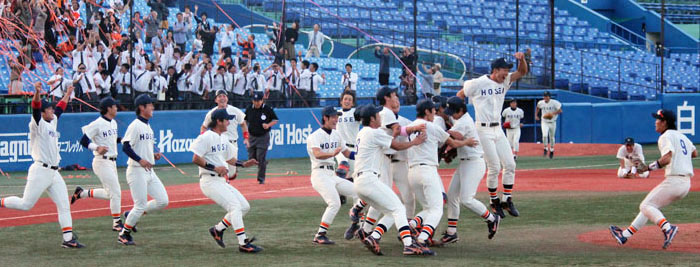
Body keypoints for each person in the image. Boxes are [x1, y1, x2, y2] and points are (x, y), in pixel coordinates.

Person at [0, 83, 83, 248]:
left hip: (54, 172)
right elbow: (36, 107)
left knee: (64, 204)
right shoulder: (37, 124)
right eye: (49, 109)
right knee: (26, 204)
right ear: (43, 112)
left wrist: (67, 93)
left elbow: (61, 107)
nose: (52, 110)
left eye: (52, 109)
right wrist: (37, 91)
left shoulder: (52, 122)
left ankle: (68, 240)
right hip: (40, 170)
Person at [353, 104, 433, 256]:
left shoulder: (363, 133)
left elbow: (388, 145)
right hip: (369, 179)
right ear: (371, 119)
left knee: (392, 212)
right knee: (399, 209)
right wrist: (414, 142)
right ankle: (409, 244)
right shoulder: (373, 132)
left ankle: (374, 237)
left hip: (361, 182)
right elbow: (395, 145)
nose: (380, 118)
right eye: (378, 116)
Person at [610, 109, 696, 249]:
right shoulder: (682, 136)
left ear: (665, 122)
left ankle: (667, 228)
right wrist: (681, 156)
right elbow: (694, 152)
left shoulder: (665, 136)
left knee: (646, 206)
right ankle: (624, 235)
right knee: (650, 206)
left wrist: (649, 168)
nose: (655, 122)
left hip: (674, 181)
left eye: (658, 119)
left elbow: (667, 158)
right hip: (685, 184)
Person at [457, 54, 527, 219]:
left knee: (510, 164)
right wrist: (458, 115)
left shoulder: (505, 81)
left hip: (498, 129)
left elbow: (522, 72)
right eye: (504, 70)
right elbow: (460, 94)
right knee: (494, 167)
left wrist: (521, 59)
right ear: (495, 70)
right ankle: (493, 201)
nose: (507, 73)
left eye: (508, 70)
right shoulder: (478, 83)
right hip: (482, 129)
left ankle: (506, 199)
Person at [191, 109, 261, 253]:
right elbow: (196, 158)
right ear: (219, 121)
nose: (229, 122)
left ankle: (218, 230)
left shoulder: (223, 137)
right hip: (209, 181)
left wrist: (244, 164)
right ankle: (243, 242)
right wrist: (214, 167)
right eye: (227, 120)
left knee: (244, 206)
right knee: (235, 206)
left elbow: (230, 158)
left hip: (221, 181)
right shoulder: (206, 137)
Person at [406, 99, 473, 247]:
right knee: (437, 209)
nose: (435, 113)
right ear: (427, 112)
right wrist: (467, 142)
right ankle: (422, 239)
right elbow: (453, 143)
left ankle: (410, 226)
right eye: (433, 111)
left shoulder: (409, 126)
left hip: (412, 172)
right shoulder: (431, 126)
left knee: (428, 209)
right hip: (427, 170)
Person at [440, 96, 500, 244]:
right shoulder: (460, 119)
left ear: (461, 110)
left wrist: (436, 125)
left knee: (467, 199)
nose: (450, 114)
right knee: (452, 195)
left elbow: (452, 138)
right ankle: (452, 232)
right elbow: (454, 130)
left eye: (453, 112)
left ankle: (492, 219)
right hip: (465, 162)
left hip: (474, 163)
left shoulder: (464, 122)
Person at [306, 106, 367, 245]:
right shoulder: (314, 136)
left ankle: (361, 226)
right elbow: (317, 154)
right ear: (325, 118)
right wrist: (333, 154)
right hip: (319, 174)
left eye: (337, 116)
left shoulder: (337, 134)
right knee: (335, 203)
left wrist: (362, 155)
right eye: (333, 117)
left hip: (331, 174)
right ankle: (320, 235)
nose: (336, 119)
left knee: (359, 191)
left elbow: (347, 153)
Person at [118, 94, 170, 245]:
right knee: (140, 205)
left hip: (148, 171)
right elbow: (125, 146)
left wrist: (152, 155)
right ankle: (124, 234)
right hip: (136, 170)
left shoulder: (147, 125)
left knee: (163, 201)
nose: (152, 107)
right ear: (142, 107)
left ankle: (131, 215)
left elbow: (140, 148)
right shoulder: (135, 125)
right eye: (150, 105)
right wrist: (140, 159)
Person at [71, 97, 123, 231]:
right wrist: (96, 147)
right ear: (109, 109)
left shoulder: (113, 123)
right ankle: (117, 223)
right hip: (101, 161)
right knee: (116, 193)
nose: (116, 108)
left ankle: (82, 193)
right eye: (114, 106)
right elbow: (83, 140)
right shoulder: (97, 123)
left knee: (110, 194)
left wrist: (122, 140)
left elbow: (111, 139)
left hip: (112, 162)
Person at [201, 90, 249, 179]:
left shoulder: (235, 111)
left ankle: (231, 174)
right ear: (216, 100)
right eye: (219, 96)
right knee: (222, 169)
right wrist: (204, 138)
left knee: (231, 173)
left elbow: (243, 124)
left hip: (232, 143)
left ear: (227, 98)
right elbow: (204, 127)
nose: (222, 98)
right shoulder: (212, 113)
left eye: (224, 96)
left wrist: (246, 138)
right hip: (218, 144)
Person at [245, 91, 279, 184]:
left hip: (263, 137)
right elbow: (245, 121)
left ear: (262, 100)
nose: (257, 103)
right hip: (252, 136)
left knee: (260, 156)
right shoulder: (249, 109)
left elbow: (275, 119)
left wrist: (268, 125)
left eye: (259, 101)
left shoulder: (267, 109)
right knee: (252, 158)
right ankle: (263, 162)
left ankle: (261, 178)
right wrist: (246, 134)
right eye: (255, 101)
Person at [335, 90, 359, 178]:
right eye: (345, 99)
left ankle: (347, 191)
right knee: (343, 165)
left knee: (352, 174)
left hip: (353, 147)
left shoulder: (355, 113)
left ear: (352, 103)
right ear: (341, 101)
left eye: (349, 100)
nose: (347, 101)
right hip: (341, 147)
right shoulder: (336, 113)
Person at [536, 91, 562, 159]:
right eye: (545, 96)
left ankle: (552, 150)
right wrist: (536, 115)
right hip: (544, 121)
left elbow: (560, 111)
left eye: (547, 96)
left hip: (552, 122)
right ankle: (545, 148)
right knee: (544, 135)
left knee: (552, 137)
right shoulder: (541, 102)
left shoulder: (554, 102)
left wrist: (552, 114)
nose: (546, 97)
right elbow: (538, 107)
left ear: (549, 97)